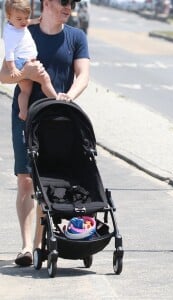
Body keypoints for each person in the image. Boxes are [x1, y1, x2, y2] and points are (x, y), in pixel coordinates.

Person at [0, 0, 89, 267]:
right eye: (64, 2)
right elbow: (4, 75)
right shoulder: (23, 30)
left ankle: (41, 243)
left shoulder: (76, 36)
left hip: (59, 116)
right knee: (26, 179)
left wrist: (68, 98)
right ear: (47, 2)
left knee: (48, 180)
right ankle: (27, 246)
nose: (69, 8)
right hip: (26, 116)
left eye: (72, 3)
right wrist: (25, 74)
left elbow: (83, 74)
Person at [3, 0, 57, 121]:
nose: (23, 22)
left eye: (25, 17)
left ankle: (23, 112)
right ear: (8, 16)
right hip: (23, 62)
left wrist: (35, 21)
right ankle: (56, 101)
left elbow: (26, 22)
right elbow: (9, 53)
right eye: (19, 19)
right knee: (45, 79)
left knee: (25, 91)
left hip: (23, 61)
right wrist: (13, 69)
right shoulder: (10, 33)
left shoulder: (15, 24)